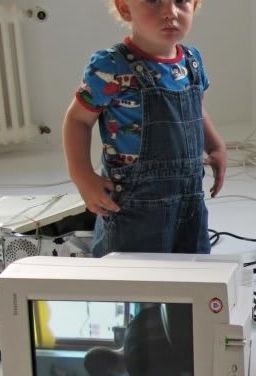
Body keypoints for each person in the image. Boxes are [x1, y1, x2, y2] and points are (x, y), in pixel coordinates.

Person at [63, 0, 227, 257]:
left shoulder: (192, 63)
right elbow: (78, 120)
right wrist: (82, 176)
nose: (170, 13)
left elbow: (195, 108)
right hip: (134, 205)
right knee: (131, 277)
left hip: (189, 201)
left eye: (181, 1)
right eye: (153, 1)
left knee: (192, 271)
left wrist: (216, 146)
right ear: (125, 9)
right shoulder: (111, 66)